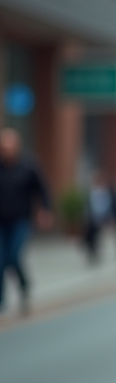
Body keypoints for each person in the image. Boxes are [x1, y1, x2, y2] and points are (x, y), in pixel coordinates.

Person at [0, 128, 52, 316]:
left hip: (21, 220)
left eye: (8, 147)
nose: (5, 151)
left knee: (13, 256)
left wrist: (45, 210)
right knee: (0, 258)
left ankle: (23, 284)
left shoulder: (28, 165)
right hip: (1, 221)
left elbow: (43, 189)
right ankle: (1, 300)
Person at [83, 169, 114, 262]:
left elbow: (107, 205)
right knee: (90, 235)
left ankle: (96, 251)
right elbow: (87, 204)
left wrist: (107, 216)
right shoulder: (91, 191)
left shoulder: (105, 192)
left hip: (100, 217)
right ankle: (91, 251)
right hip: (91, 217)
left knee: (98, 236)